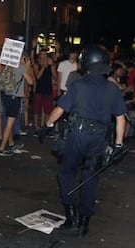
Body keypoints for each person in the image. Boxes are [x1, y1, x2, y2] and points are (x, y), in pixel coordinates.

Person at [42, 44, 127, 237]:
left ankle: (71, 218)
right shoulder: (113, 89)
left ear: (86, 63)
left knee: (66, 173)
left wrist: (47, 125)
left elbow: (59, 110)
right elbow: (121, 118)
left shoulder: (78, 85)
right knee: (90, 178)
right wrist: (118, 145)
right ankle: (84, 223)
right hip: (100, 139)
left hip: (77, 136)